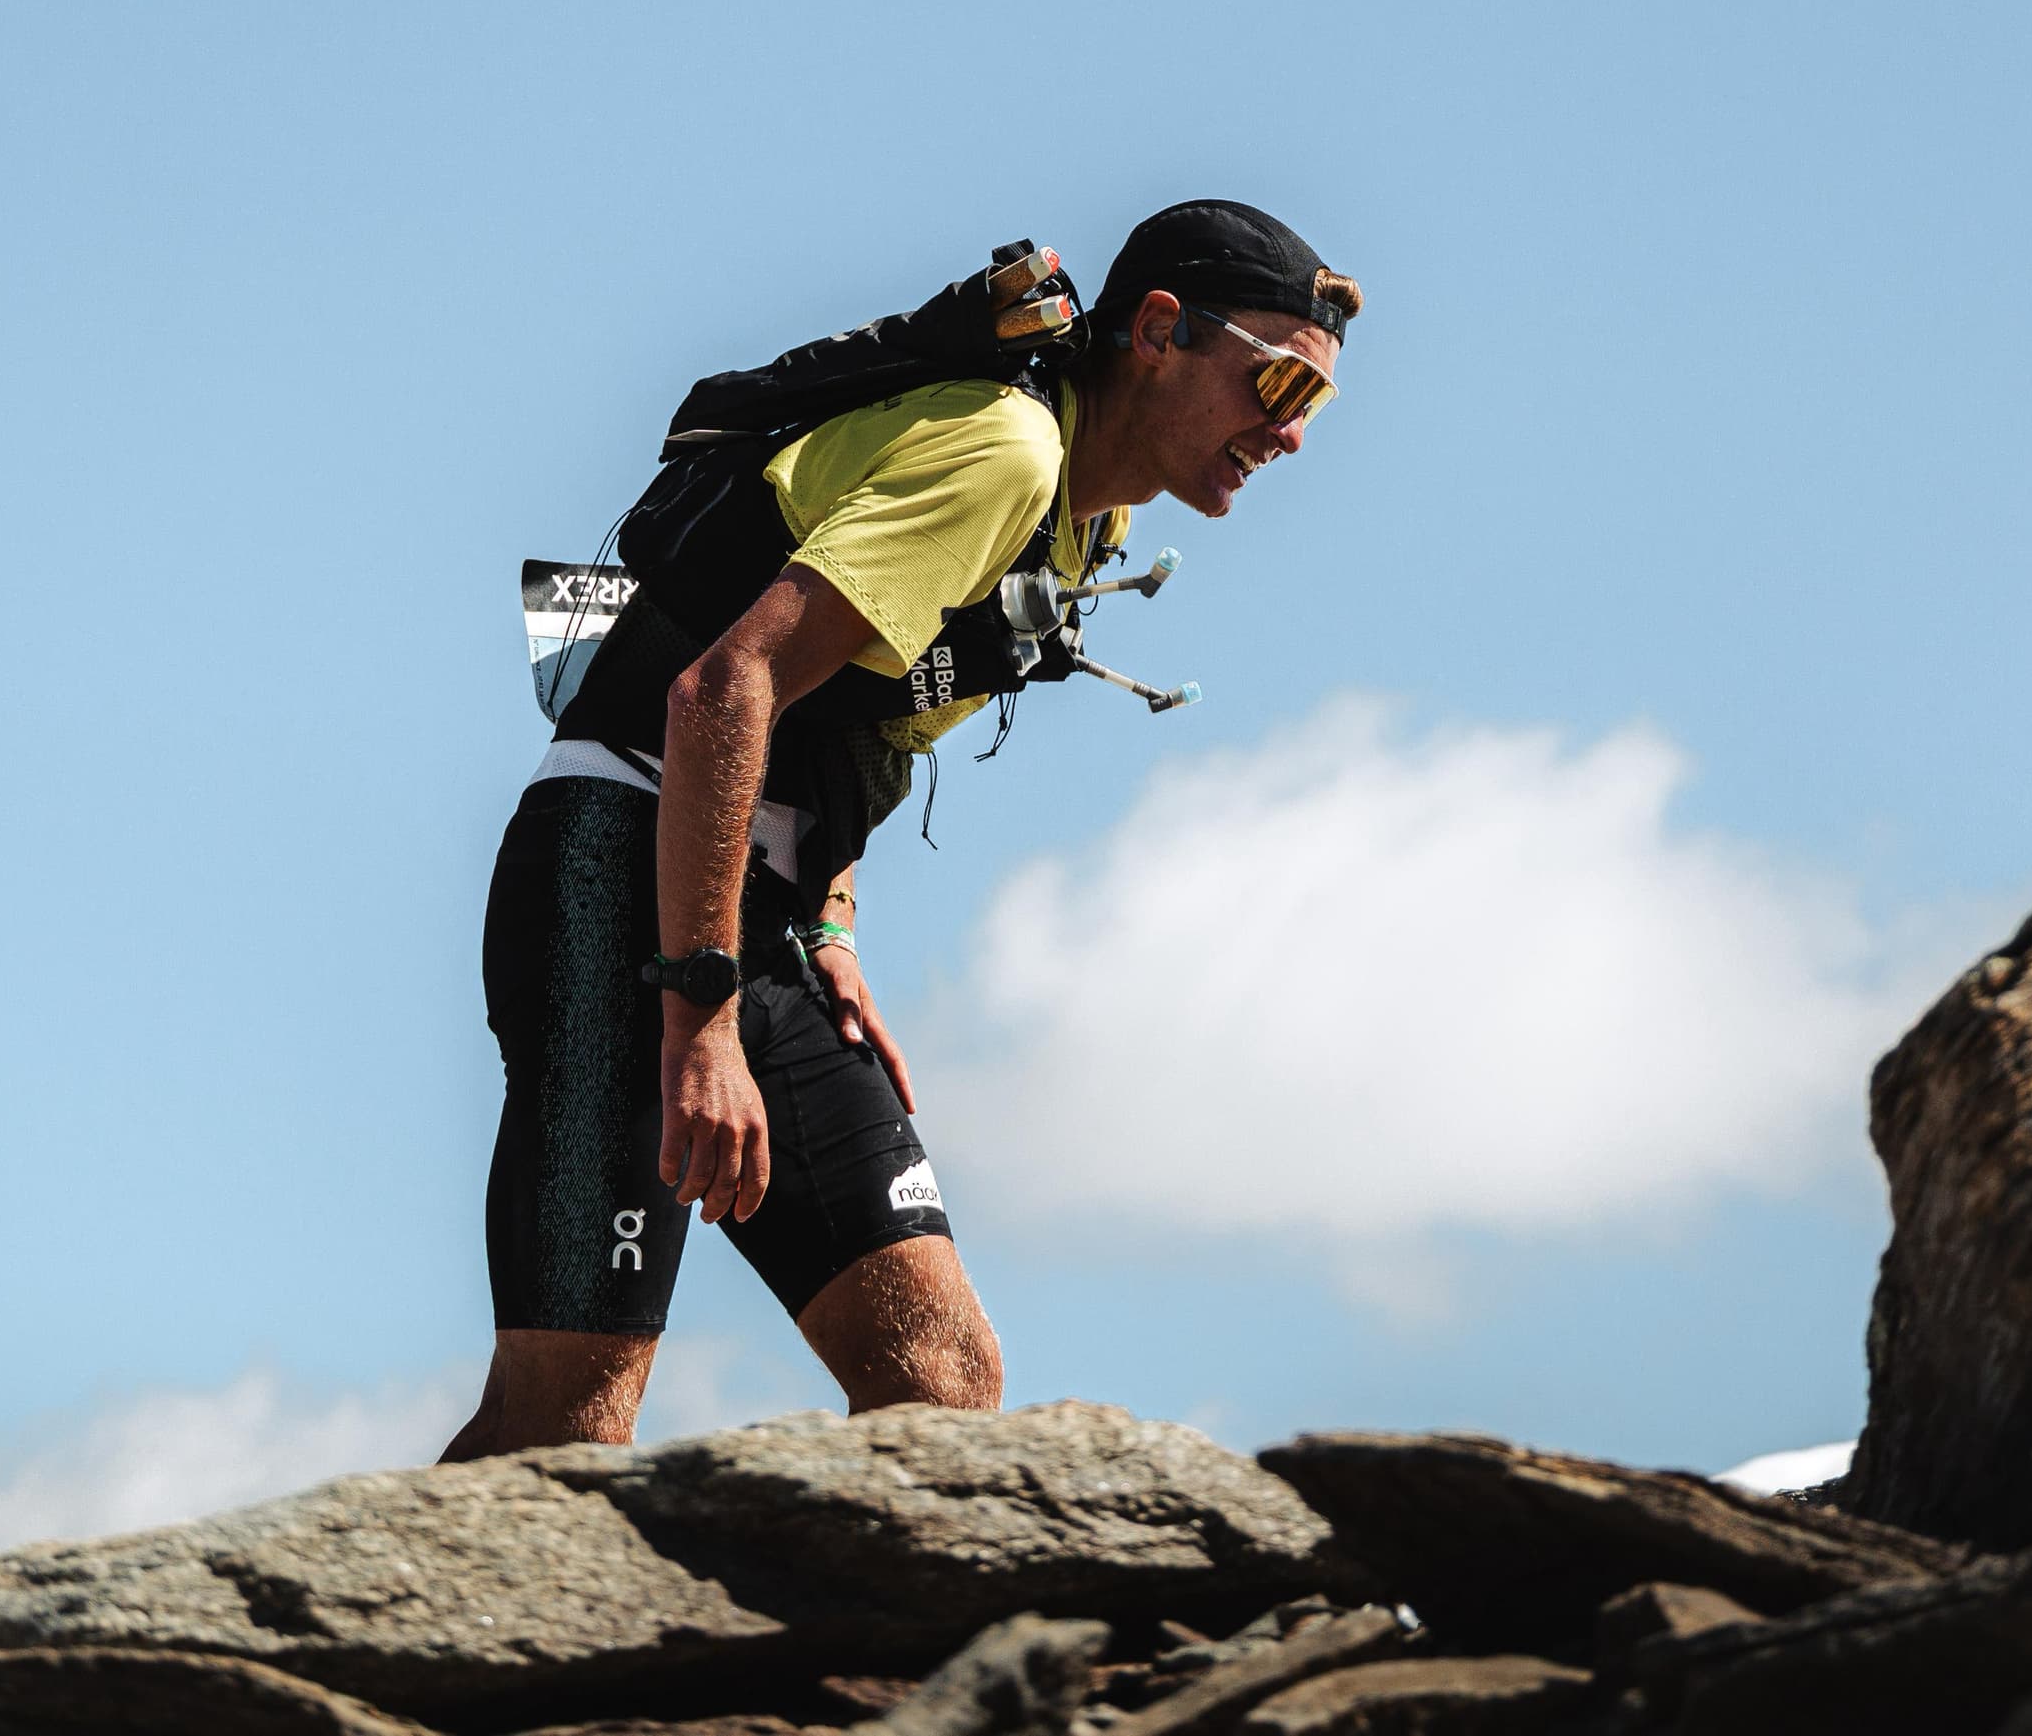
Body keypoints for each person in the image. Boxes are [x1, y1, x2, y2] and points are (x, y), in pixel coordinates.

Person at [443, 201, 1361, 1459]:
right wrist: (698, 1011)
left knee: (940, 1375)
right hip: (618, 881)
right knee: (567, 1422)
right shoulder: (1007, 455)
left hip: (741, 912)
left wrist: (829, 925)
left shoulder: (1091, 520)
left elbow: (853, 726)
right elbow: (726, 690)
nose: (1292, 431)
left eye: (1316, 401)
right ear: (1157, 330)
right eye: (1273, 378)